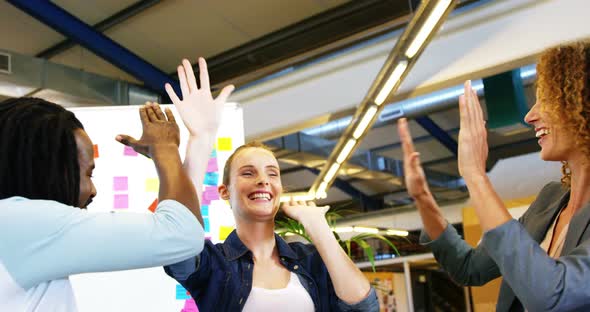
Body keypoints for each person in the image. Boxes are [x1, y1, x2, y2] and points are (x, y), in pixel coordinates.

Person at [0, 57, 230, 311]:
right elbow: (181, 234)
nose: (93, 190)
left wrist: (198, 141)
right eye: (87, 174)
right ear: (46, 167)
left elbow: (179, 234)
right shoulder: (25, 224)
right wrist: (165, 149)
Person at [164, 59, 379, 311]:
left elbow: (364, 307)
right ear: (224, 191)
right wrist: (201, 139)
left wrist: (319, 227)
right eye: (248, 172)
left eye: (272, 173)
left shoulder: (310, 260)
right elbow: (177, 245)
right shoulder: (216, 265)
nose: (263, 180)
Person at [398, 40, 590, 311]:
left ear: (582, 103)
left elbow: (551, 295)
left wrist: (476, 175)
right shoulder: (551, 199)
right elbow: (469, 268)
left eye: (545, 99)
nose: (529, 116)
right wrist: (422, 198)